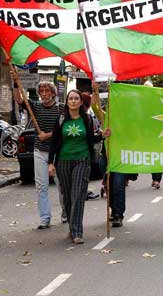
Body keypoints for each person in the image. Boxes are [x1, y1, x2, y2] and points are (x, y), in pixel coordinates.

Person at [48, 89, 110, 244]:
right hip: (63, 161)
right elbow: (54, 142)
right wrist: (50, 163)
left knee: (78, 195)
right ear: (67, 102)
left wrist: (102, 135)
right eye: (71, 99)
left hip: (82, 160)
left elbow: (91, 139)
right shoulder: (61, 120)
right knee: (68, 198)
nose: (74, 101)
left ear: (81, 102)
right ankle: (72, 226)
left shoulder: (87, 119)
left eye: (76, 99)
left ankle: (77, 232)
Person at [11, 78, 66, 229]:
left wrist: (47, 135)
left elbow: (63, 130)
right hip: (40, 151)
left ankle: (65, 211)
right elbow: (19, 99)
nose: (44, 94)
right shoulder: (34, 106)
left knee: (62, 185)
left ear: (53, 93)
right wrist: (15, 83)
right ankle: (45, 218)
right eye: (41, 91)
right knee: (41, 186)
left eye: (47, 91)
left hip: (57, 152)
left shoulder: (60, 109)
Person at [91, 82, 127, 228]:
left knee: (118, 185)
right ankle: (113, 210)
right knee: (109, 185)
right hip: (106, 157)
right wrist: (95, 90)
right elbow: (94, 106)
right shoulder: (105, 117)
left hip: (119, 157)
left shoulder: (127, 122)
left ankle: (118, 214)